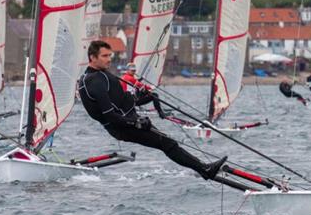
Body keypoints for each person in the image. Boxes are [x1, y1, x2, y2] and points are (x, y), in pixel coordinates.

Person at [78, 40, 227, 180]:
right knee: (167, 143)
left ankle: (203, 169)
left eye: (110, 55)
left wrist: (142, 98)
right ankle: (204, 170)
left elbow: (120, 101)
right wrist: (135, 122)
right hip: (123, 127)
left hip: (128, 120)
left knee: (167, 142)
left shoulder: (100, 75)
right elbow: (109, 115)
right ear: (92, 57)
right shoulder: (93, 80)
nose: (109, 59)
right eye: (105, 56)